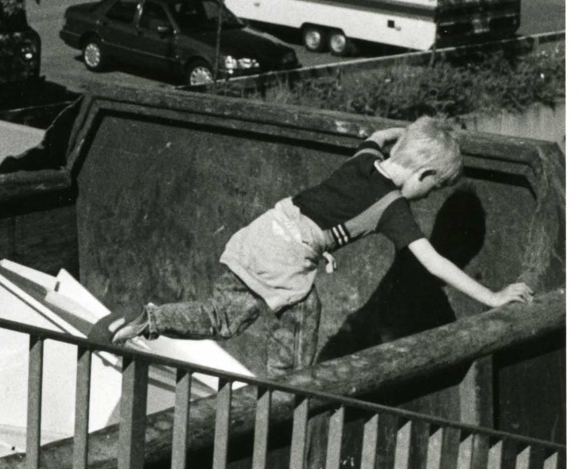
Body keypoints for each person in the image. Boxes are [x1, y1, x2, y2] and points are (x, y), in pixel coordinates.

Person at [97, 117, 535, 376]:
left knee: (222, 316)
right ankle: (287, 395)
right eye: (433, 188)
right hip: (288, 255)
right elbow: (433, 261)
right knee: (304, 318)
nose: (427, 196)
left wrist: (412, 135)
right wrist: (493, 297)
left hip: (263, 231)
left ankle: (152, 319)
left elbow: (380, 135)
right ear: (423, 178)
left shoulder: (364, 159)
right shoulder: (393, 207)